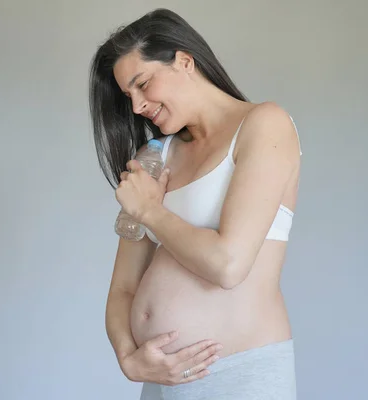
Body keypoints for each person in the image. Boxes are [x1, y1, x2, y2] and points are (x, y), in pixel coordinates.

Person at [88, 8, 302, 400]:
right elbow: (123, 287)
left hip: (238, 374)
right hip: (161, 379)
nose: (136, 107)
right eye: (127, 95)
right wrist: (128, 358)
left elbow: (228, 265)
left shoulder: (264, 124)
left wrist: (151, 210)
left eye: (142, 84)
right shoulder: (156, 156)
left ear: (184, 61)